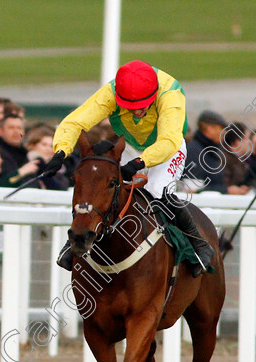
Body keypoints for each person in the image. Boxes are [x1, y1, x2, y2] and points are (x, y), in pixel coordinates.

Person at [48, 60, 214, 277]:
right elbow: (75, 122)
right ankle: (77, 240)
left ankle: (199, 243)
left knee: (158, 192)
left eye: (142, 106)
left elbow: (168, 141)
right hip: (130, 145)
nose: (137, 113)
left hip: (167, 148)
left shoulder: (171, 94)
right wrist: (61, 152)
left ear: (154, 95)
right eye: (131, 107)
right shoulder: (110, 92)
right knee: (102, 186)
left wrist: (139, 164)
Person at [184, 110, 229, 193]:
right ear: (209, 128)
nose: (225, 132)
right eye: (222, 127)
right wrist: (227, 191)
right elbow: (191, 190)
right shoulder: (194, 152)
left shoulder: (212, 151)